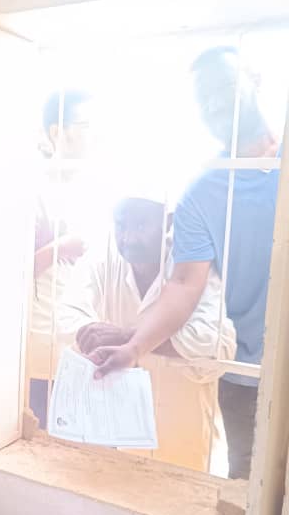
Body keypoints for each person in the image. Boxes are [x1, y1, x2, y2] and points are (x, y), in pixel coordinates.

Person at [84, 47, 280, 479]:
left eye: (223, 87)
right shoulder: (200, 194)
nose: (214, 104)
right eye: (202, 98)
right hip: (247, 379)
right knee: (246, 498)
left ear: (255, 77)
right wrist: (134, 346)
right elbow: (184, 285)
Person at [67, 184, 236, 471]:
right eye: (121, 225)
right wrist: (94, 336)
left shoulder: (194, 267)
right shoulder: (104, 263)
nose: (128, 237)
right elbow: (68, 315)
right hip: (123, 435)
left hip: (187, 435)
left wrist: (127, 339)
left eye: (141, 225)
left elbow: (216, 344)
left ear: (167, 223)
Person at [29, 88, 96, 427]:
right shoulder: (33, 187)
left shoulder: (93, 187)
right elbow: (12, 272)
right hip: (43, 336)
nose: (93, 134)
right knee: (46, 434)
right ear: (57, 132)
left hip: (86, 334)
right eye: (86, 125)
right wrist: (61, 247)